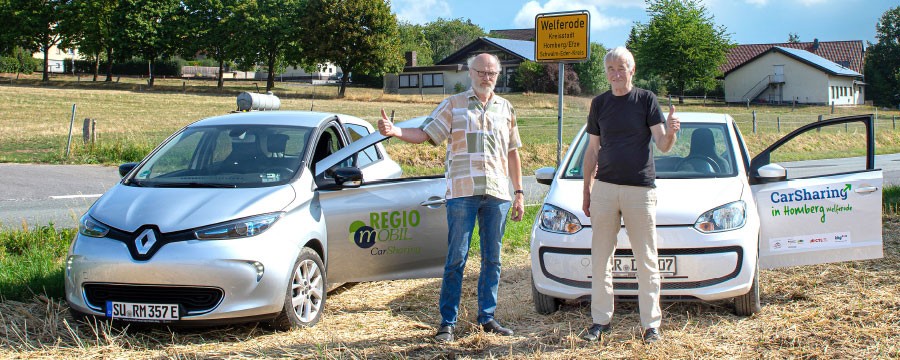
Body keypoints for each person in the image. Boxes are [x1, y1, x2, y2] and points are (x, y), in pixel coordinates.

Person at [377, 53, 525, 343]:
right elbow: (425, 133)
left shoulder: (506, 108)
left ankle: (487, 318)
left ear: (498, 75)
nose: (486, 77)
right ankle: (447, 323)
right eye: (481, 72)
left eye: (492, 73)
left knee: (493, 259)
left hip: (497, 194)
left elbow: (512, 152)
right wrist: (395, 131)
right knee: (456, 258)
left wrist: (518, 192)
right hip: (462, 193)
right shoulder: (454, 104)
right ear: (470, 73)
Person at [580, 46, 680, 344]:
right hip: (605, 189)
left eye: (621, 68)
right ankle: (600, 322)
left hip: (640, 189)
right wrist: (586, 189)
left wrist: (672, 131)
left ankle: (651, 326)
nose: (615, 74)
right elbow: (593, 150)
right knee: (601, 258)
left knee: (646, 258)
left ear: (632, 70)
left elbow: (662, 143)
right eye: (610, 69)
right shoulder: (599, 104)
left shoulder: (646, 99)